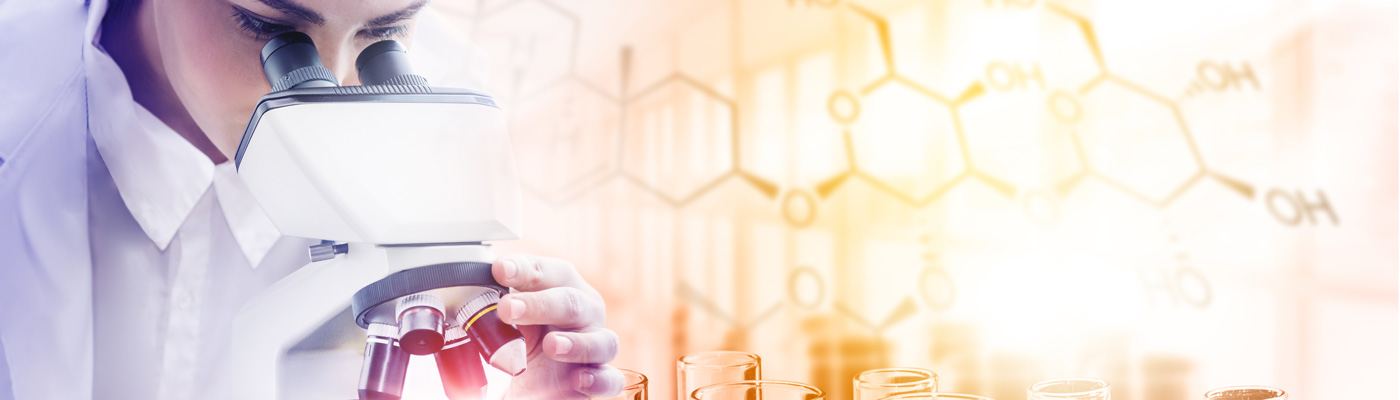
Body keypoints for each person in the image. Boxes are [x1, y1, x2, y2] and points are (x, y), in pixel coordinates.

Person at [0, 0, 622, 399]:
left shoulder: (448, 98)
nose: (333, 83)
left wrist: (537, 376)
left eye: (386, 33)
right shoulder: (19, 104)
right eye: (271, 28)